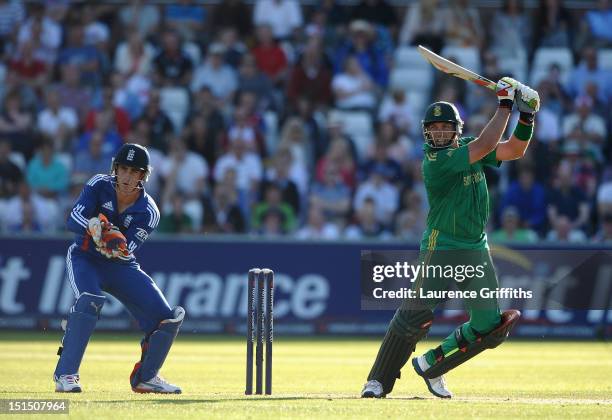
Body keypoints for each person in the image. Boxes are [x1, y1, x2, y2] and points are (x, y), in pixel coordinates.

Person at [361, 76, 540, 399]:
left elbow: (513, 150)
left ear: (456, 130)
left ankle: (432, 365)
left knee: (490, 326)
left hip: (474, 247)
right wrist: (504, 104)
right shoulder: (434, 162)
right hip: (441, 246)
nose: (440, 133)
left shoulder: (468, 147)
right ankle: (377, 381)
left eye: (446, 127)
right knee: (415, 315)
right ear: (426, 133)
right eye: (435, 128)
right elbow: (486, 145)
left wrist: (526, 116)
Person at [54, 143, 184, 394]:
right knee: (90, 300)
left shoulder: (149, 211)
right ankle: (66, 374)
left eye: (134, 171)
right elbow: (73, 218)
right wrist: (94, 224)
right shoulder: (98, 184)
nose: (127, 177)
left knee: (167, 317)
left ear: (143, 176)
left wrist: (108, 238)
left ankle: (146, 377)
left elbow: (125, 250)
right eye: (123, 169)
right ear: (115, 168)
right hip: (84, 257)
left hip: (120, 265)